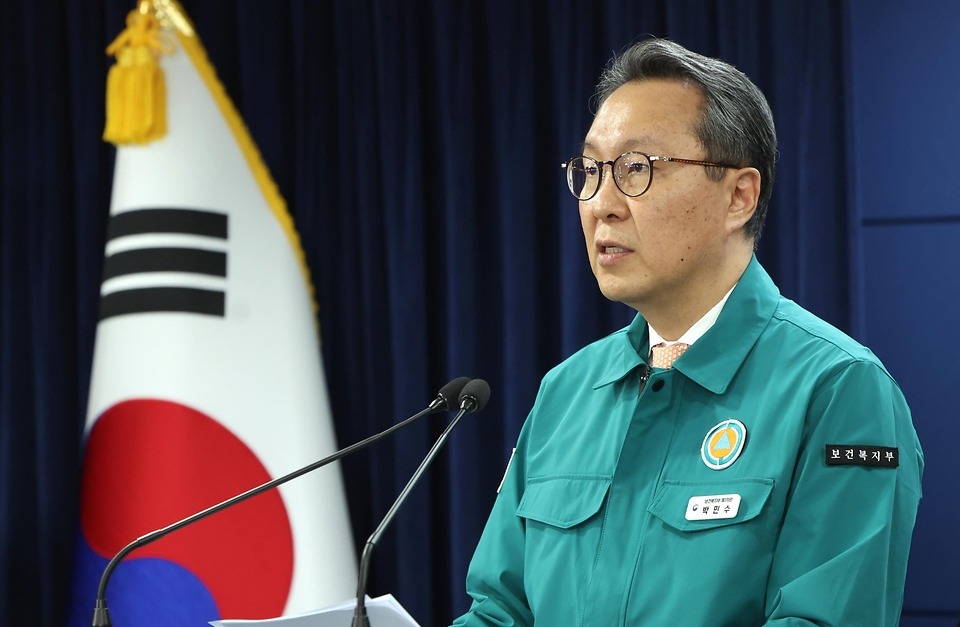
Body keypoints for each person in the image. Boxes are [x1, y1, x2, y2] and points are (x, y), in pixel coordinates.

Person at [451, 37, 923, 626]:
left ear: (739, 197)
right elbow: (499, 610)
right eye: (591, 170)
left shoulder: (838, 389)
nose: (601, 204)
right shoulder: (567, 391)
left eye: (636, 168)